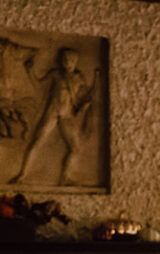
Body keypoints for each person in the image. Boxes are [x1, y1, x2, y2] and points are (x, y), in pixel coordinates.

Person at [10, 46, 99, 186]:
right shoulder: (56, 74)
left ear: (75, 61)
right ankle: (22, 175)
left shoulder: (79, 77)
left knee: (75, 148)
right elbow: (38, 84)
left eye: (70, 60)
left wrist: (86, 104)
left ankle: (64, 177)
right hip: (52, 113)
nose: (67, 62)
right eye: (64, 60)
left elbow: (87, 94)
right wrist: (30, 70)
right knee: (37, 141)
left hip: (67, 116)